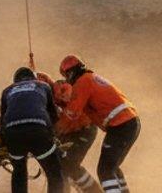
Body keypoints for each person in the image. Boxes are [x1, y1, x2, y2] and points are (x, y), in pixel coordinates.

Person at [60, 55, 140, 193]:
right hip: (130, 122)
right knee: (113, 167)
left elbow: (72, 113)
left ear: (70, 73)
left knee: (105, 170)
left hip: (120, 125)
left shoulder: (82, 82)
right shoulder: (92, 78)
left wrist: (55, 131)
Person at [0, 67, 65, 193]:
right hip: (38, 130)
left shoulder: (7, 91)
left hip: (13, 134)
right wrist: (53, 135)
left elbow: (2, 120)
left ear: (15, 81)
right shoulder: (43, 86)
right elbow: (53, 115)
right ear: (33, 77)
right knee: (54, 173)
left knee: (19, 172)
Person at [53, 79, 102, 193]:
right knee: (60, 166)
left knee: (70, 166)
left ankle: (94, 191)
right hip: (68, 132)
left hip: (84, 130)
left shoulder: (72, 95)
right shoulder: (50, 96)